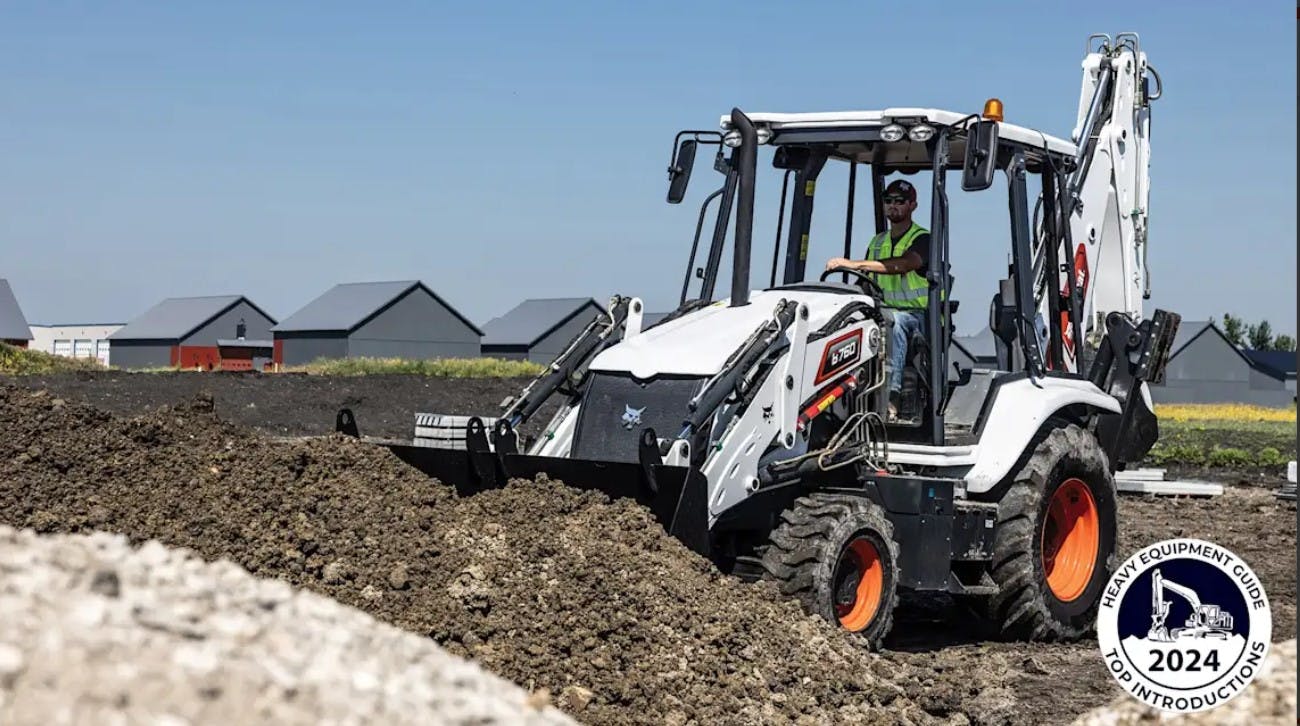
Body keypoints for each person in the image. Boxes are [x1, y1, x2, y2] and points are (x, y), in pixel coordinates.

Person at [824, 178, 932, 420]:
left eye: (900, 201)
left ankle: (891, 397)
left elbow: (905, 264)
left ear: (913, 205)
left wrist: (853, 263)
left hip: (919, 316)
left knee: (894, 323)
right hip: (883, 312)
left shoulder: (923, 239)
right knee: (848, 321)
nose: (893, 205)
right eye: (888, 200)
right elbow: (865, 282)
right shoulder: (878, 243)